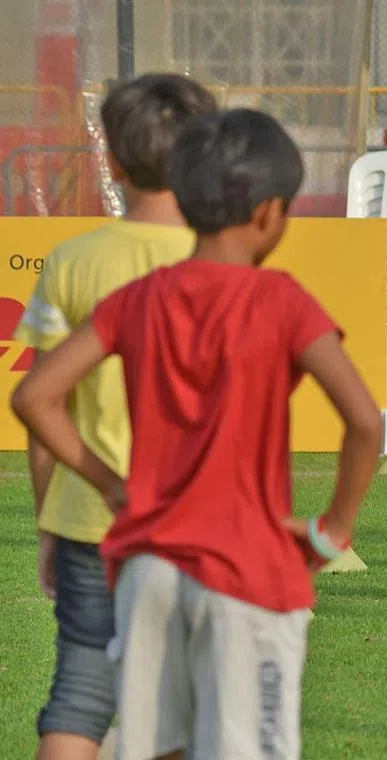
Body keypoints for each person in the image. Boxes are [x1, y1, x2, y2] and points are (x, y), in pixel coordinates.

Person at [11, 108, 383, 759]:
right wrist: (335, 528)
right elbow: (365, 421)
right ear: (269, 212)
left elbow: (35, 396)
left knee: (159, 747)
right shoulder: (282, 300)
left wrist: (111, 485)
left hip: (147, 571)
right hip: (245, 571)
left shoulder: (138, 298)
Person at [12, 73, 216, 760]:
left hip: (89, 522)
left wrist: (51, 520)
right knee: (182, 709)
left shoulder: (72, 262)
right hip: (198, 527)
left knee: (80, 696)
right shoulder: (228, 266)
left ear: (115, 163)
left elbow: (44, 409)